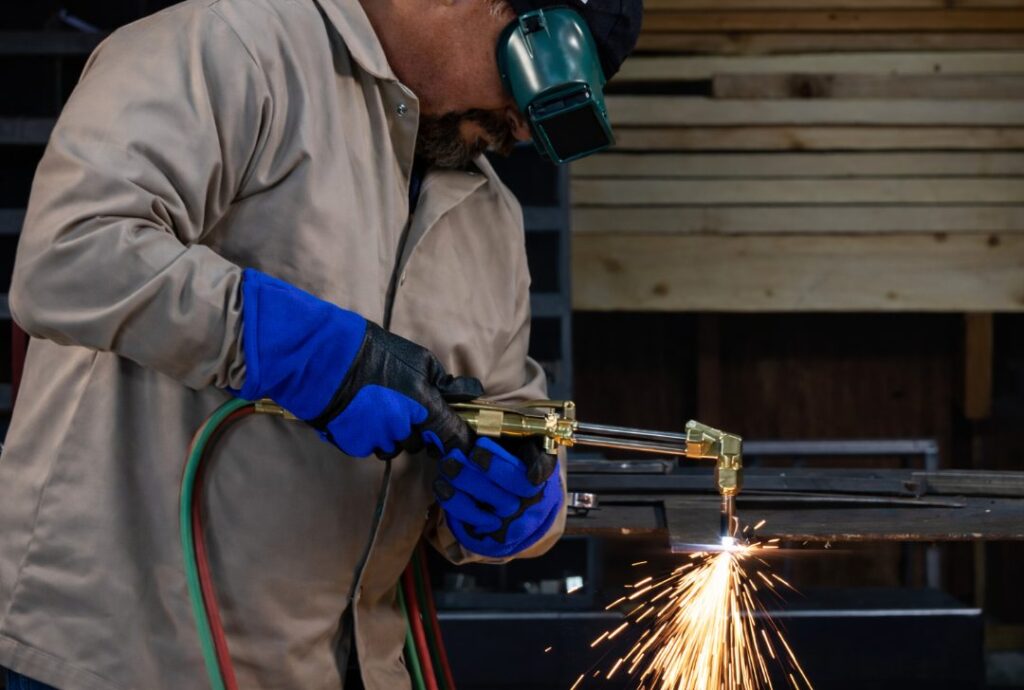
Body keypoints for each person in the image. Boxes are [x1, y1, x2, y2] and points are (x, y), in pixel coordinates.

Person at [0, 0, 641, 687]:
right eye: (530, 78)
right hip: (117, 658)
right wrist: (297, 349)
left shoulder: (492, 217)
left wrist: (522, 498)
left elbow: (511, 407)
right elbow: (70, 255)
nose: (521, 126)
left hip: (338, 669)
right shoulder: (233, 48)